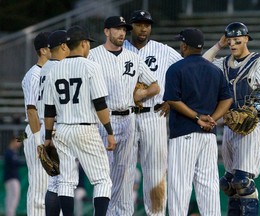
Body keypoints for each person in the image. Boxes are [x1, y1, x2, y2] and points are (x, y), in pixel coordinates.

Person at [203, 22, 260, 215]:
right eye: (230, 41)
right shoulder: (222, 63)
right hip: (230, 127)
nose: (233, 44)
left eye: (237, 40)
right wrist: (218, 45)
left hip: (250, 127)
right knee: (228, 184)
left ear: (246, 39)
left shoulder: (259, 63)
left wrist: (255, 109)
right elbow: (203, 64)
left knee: (243, 182)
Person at [88, 16, 160, 215]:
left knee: (126, 174)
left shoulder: (133, 58)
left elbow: (155, 85)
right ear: (106, 31)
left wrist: (143, 93)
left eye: (124, 30)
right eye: (117, 29)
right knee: (104, 174)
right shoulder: (93, 56)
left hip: (129, 118)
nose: (121, 33)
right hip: (104, 120)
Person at [42, 25, 116, 216]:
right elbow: (100, 103)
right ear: (83, 44)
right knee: (102, 180)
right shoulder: (91, 66)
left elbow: (49, 110)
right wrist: (109, 132)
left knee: (66, 181)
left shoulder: (54, 70)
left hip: (63, 129)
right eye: (88, 44)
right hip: (85, 129)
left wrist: (48, 137)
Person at [163, 28, 233, 215]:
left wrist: (197, 118)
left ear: (185, 45)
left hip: (184, 135)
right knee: (208, 186)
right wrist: (213, 118)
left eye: (181, 43)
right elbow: (227, 99)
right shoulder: (214, 70)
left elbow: (172, 100)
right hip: (208, 136)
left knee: (180, 186)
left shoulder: (176, 68)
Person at [123, 10, 182, 215]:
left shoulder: (163, 50)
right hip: (124, 116)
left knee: (156, 172)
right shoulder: (118, 50)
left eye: (147, 24)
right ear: (131, 27)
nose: (144, 28)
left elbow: (186, 71)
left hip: (153, 115)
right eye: (139, 24)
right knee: (122, 172)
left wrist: (172, 99)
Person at [38, 29, 70, 216]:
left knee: (56, 181)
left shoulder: (46, 68)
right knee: (60, 181)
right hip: (55, 124)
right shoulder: (58, 68)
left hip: (48, 124)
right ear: (63, 46)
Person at [21, 31, 51, 216]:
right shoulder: (33, 75)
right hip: (36, 130)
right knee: (40, 186)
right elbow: (31, 110)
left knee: (54, 186)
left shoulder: (51, 72)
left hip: (47, 132)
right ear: (43, 50)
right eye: (51, 47)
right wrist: (39, 141)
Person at [3, 136, 26, 216]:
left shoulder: (13, 152)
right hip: (11, 179)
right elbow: (16, 163)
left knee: (11, 198)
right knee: (13, 198)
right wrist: (26, 162)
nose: (19, 144)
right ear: (13, 141)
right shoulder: (8, 152)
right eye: (18, 142)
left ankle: (10, 214)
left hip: (12, 179)